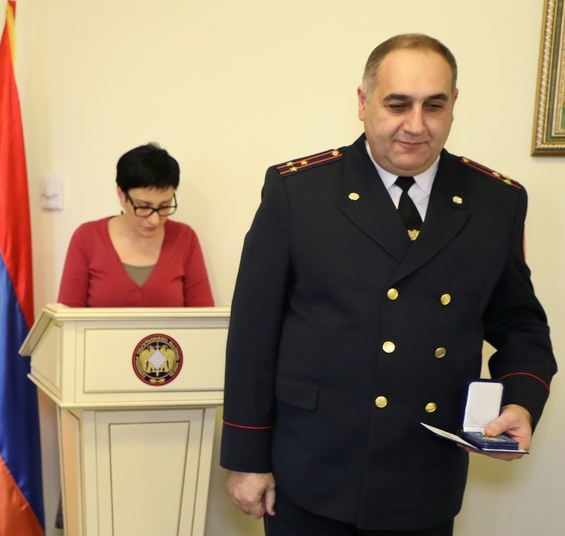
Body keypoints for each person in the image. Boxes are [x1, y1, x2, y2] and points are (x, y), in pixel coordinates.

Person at [221, 33, 556, 535]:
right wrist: (247, 457)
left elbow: (520, 323)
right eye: (398, 105)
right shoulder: (299, 192)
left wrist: (520, 401)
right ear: (363, 102)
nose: (416, 125)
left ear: (454, 104)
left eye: (434, 106)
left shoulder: (495, 202)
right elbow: (253, 333)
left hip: (424, 474)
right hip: (313, 468)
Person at [57, 143, 214, 307]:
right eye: (144, 206)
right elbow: (68, 314)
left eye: (164, 206)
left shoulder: (185, 238)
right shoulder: (87, 238)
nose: (154, 220)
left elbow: (203, 314)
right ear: (122, 195)